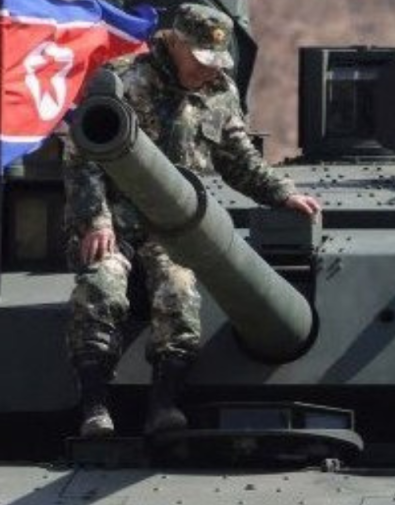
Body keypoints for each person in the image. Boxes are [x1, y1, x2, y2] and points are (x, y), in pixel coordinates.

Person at [64, 4, 322, 438]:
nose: (209, 70)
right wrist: (95, 220)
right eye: (201, 59)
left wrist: (281, 192)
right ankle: (95, 406)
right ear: (175, 42)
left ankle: (164, 405)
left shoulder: (220, 91)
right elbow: (82, 155)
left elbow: (239, 159)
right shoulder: (124, 79)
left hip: (174, 228)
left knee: (180, 291)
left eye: (217, 61)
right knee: (101, 286)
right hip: (116, 220)